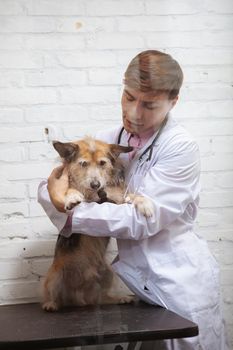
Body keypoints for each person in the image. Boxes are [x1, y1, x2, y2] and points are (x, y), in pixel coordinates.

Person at [38, 50, 229, 350]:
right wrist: (52, 193)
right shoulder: (110, 139)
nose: (133, 113)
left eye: (149, 105)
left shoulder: (181, 148)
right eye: (128, 97)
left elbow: (141, 220)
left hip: (177, 283)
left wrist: (68, 212)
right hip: (137, 283)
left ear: (173, 102)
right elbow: (61, 181)